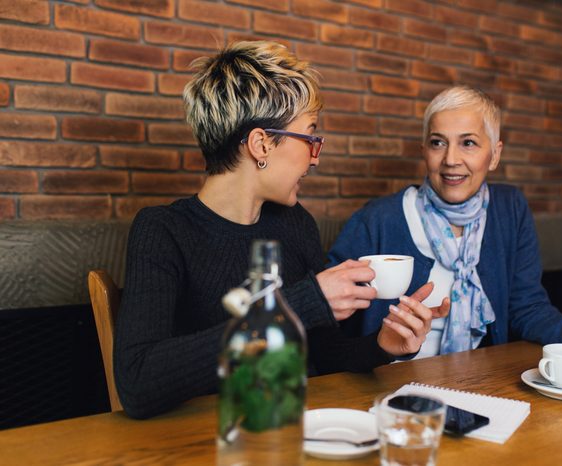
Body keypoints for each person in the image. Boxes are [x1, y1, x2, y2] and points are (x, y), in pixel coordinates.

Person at [114, 41, 447, 419]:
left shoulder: (294, 224)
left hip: (295, 428)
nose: (316, 157)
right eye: (309, 138)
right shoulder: (163, 230)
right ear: (261, 144)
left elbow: (326, 355)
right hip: (215, 441)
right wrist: (300, 305)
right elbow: (138, 383)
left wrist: (385, 345)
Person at [328, 85, 562, 363]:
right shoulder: (378, 219)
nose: (450, 160)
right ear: (424, 150)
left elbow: (529, 310)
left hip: (479, 382)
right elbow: (327, 319)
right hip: (390, 387)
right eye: (437, 143)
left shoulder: (509, 209)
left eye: (469, 143)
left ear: (495, 155)